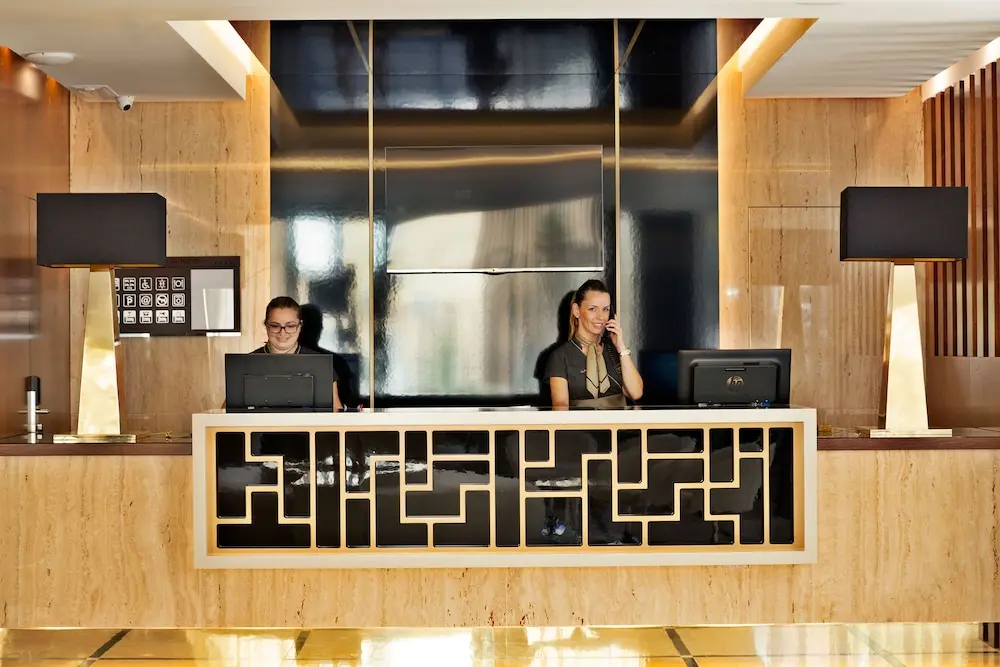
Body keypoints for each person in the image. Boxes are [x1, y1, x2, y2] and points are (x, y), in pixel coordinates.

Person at [545, 279, 643, 409]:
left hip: (619, 422)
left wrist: (621, 347)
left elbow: (636, 393)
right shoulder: (560, 356)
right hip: (580, 422)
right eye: (592, 309)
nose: (601, 317)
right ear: (576, 310)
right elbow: (560, 407)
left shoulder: (615, 352)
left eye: (605, 309)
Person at [252, 296, 342, 411]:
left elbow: (335, 410)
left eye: (290, 326)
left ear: (300, 326)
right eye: (275, 326)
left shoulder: (321, 364)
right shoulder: (246, 364)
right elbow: (232, 413)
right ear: (266, 325)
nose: (282, 333)